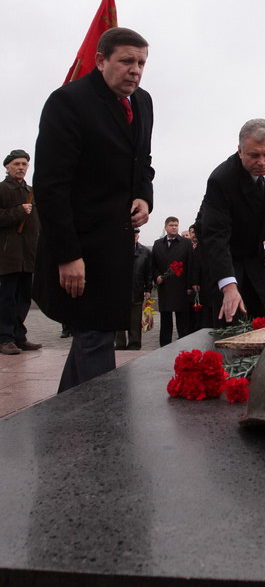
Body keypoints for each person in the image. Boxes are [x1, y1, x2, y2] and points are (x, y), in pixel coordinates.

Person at [33, 27, 155, 392]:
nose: (135, 70)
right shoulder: (68, 102)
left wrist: (144, 196)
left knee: (95, 336)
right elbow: (51, 186)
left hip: (116, 246)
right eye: (127, 61)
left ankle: (70, 416)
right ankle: (96, 418)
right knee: (95, 336)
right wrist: (68, 255)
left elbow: (142, 161)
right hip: (81, 247)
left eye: (142, 63)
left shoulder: (143, 102)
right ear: (101, 61)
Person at [195, 118, 265, 324]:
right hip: (224, 249)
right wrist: (228, 286)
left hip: (253, 250)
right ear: (240, 151)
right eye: (254, 155)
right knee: (230, 313)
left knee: (260, 309)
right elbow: (216, 235)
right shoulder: (221, 179)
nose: (262, 162)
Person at [0, 149, 42, 355]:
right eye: (16, 164)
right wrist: (18, 211)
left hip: (28, 256)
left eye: (24, 164)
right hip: (7, 256)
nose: (20, 167)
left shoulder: (31, 191)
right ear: (7, 167)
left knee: (23, 298)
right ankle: (5, 338)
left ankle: (19, 336)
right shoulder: (2, 189)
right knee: (6, 299)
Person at [152, 217, 194, 346]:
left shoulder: (186, 243)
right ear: (165, 227)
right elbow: (153, 265)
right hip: (164, 287)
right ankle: (165, 347)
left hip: (181, 288)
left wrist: (190, 286)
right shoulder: (158, 244)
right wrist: (157, 276)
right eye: (171, 225)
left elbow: (191, 265)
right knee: (165, 320)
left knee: (182, 321)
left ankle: (184, 346)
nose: (174, 227)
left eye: (176, 225)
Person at [115, 228, 152, 350]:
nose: (133, 237)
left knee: (135, 321)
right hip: (119, 290)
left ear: (138, 236)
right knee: (119, 319)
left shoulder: (145, 252)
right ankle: (119, 344)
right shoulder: (117, 249)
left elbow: (148, 273)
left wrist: (148, 289)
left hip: (137, 289)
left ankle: (134, 344)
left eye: (135, 235)